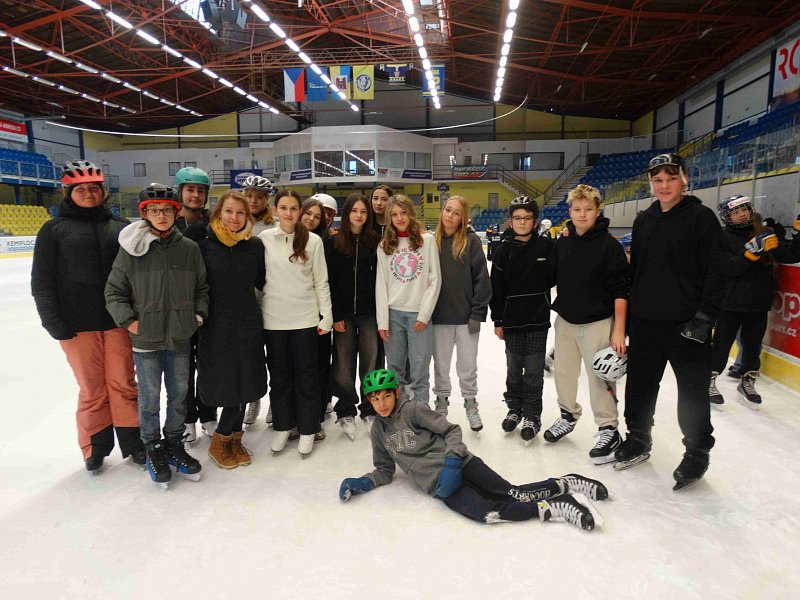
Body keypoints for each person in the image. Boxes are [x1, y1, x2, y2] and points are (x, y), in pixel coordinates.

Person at [337, 369, 608, 530]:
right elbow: (385, 469)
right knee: (488, 513)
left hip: (462, 464)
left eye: (386, 395)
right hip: (439, 486)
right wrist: (363, 482)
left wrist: (453, 461)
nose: (382, 403)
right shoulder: (378, 431)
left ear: (396, 393)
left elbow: (451, 430)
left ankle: (565, 484)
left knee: (513, 494)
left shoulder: (413, 410)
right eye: (375, 398)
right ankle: (557, 506)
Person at [617, 153, 725, 491]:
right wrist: (630, 318)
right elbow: (637, 272)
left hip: (686, 324)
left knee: (692, 393)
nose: (664, 185)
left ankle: (696, 451)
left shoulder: (701, 218)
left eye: (671, 178)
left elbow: (716, 271)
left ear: (684, 179)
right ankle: (638, 436)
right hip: (646, 321)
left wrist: (705, 317)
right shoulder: (644, 220)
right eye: (658, 179)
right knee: (640, 386)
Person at [31, 160, 145, 473]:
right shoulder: (54, 230)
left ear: (102, 191)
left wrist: (135, 315)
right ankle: (94, 447)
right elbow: (42, 281)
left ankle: (134, 443)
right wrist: (53, 321)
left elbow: (137, 276)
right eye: (80, 189)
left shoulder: (120, 226)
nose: (88, 193)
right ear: (68, 193)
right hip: (76, 326)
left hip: (118, 322)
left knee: (123, 384)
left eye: (93, 188)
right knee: (93, 389)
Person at [105, 184, 209, 488]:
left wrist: (197, 316)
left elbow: (202, 288)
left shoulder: (188, 249)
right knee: (149, 398)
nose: (161, 216)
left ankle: (174, 442)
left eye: (166, 210)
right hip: (146, 341)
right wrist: (130, 323)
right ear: (145, 214)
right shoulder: (132, 250)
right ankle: (152, 446)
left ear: (176, 213)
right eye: (154, 210)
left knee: (178, 396)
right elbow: (114, 292)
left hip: (179, 337)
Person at [544, 184, 630, 464]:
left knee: (600, 377)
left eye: (588, 209)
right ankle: (568, 415)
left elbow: (621, 290)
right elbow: (549, 276)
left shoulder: (610, 246)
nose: (582, 214)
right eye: (577, 209)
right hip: (566, 320)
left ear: (597, 211)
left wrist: (619, 329)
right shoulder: (563, 243)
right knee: (564, 373)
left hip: (598, 322)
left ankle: (608, 428)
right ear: (569, 211)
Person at [186, 191, 267, 469]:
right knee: (225, 382)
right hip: (216, 324)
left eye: (240, 212)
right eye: (229, 211)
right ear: (218, 213)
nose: (235, 217)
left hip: (247, 321)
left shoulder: (254, 246)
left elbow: (260, 280)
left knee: (246, 380)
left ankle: (234, 438)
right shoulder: (204, 245)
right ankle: (221, 439)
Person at [260, 189, 333, 457]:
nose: (289, 213)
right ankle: (283, 425)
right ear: (275, 210)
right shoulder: (264, 239)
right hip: (274, 320)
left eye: (293, 208)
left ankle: (308, 427)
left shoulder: (313, 241)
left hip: (305, 320)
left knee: (307, 376)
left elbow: (321, 282)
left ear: (299, 211)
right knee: (280, 378)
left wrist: (326, 315)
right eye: (284, 208)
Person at [709, 196, 800, 407]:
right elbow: (727, 269)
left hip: (758, 304)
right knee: (720, 347)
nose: (742, 214)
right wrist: (750, 252)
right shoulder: (721, 238)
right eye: (736, 212)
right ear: (726, 217)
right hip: (730, 304)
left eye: (744, 210)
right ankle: (708, 380)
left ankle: (747, 382)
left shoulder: (764, 233)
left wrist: (798, 235)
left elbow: (788, 255)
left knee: (752, 348)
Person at [490, 196, 554, 441]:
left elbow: (557, 275)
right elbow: (496, 289)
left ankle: (532, 415)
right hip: (512, 322)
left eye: (527, 218)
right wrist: (498, 320)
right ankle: (514, 409)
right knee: (514, 370)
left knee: (534, 372)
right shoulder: (502, 251)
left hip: (538, 320)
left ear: (535, 222)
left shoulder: (547, 247)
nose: (522, 222)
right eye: (517, 218)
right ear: (510, 221)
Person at [431, 195, 492, 432]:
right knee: (441, 366)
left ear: (463, 218)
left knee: (467, 366)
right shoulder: (431, 241)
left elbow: (482, 279)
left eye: (456, 213)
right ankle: (441, 402)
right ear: (442, 211)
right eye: (448, 210)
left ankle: (470, 403)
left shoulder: (471, 241)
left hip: (466, 318)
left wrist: (477, 313)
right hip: (439, 318)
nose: (450, 215)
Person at [376, 194, 441, 406]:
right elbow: (381, 285)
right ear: (389, 218)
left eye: (403, 212)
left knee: (420, 371)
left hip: (419, 316)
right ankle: (399, 413)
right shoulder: (384, 245)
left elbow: (434, 280)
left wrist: (424, 315)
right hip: (393, 315)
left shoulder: (426, 240)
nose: (400, 218)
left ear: (411, 213)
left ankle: (421, 413)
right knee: (395, 370)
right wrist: (383, 321)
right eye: (394, 214)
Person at [325, 193, 381, 438]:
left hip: (370, 314)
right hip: (344, 314)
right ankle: (345, 409)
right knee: (343, 364)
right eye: (354, 211)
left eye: (363, 211)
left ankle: (369, 408)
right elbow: (330, 281)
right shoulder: (334, 243)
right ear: (346, 214)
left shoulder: (376, 242)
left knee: (371, 363)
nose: (359, 215)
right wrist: (335, 314)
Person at [173, 166, 217, 441]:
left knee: (209, 365)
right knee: (182, 368)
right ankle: (187, 418)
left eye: (200, 190)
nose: (195, 195)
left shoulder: (213, 223)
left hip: (208, 305)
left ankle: (209, 414)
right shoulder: (169, 222)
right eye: (190, 189)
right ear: (180, 192)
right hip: (178, 305)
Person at [240, 175, 276, 428]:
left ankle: (276, 399)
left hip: (271, 300)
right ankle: (252, 399)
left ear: (266, 200)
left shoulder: (274, 227)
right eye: (250, 195)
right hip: (245, 303)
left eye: (259, 196)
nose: (254, 200)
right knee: (250, 357)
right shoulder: (235, 223)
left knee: (275, 356)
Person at [301, 197, 334, 432]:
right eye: (308, 213)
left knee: (321, 364)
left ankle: (320, 407)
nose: (312, 219)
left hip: (320, 313)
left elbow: (326, 281)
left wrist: (328, 314)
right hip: (297, 314)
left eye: (318, 216)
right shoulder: (286, 238)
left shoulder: (327, 242)